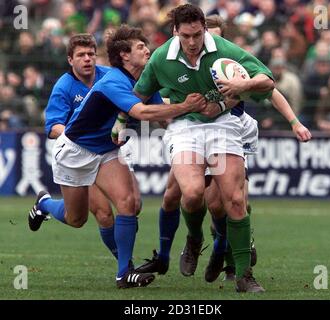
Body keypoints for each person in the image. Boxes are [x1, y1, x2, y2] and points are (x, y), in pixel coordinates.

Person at [135, 13, 311, 285]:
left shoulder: (226, 53)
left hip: (225, 126)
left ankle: (242, 274)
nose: (192, 42)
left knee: (234, 200)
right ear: (175, 31)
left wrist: (246, 86)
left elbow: (267, 82)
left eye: (198, 35)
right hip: (185, 128)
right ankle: (194, 239)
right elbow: (137, 98)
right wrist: (123, 120)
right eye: (186, 36)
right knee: (191, 194)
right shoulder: (161, 58)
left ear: (206, 30)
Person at [28, 25, 207, 288]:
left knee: (129, 203)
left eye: (146, 46)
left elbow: (164, 117)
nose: (147, 50)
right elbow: (142, 113)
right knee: (76, 219)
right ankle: (44, 204)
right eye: (140, 47)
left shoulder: (144, 80)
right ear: (124, 55)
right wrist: (187, 105)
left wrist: (199, 132)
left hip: (107, 152)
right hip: (75, 152)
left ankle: (124, 273)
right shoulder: (112, 81)